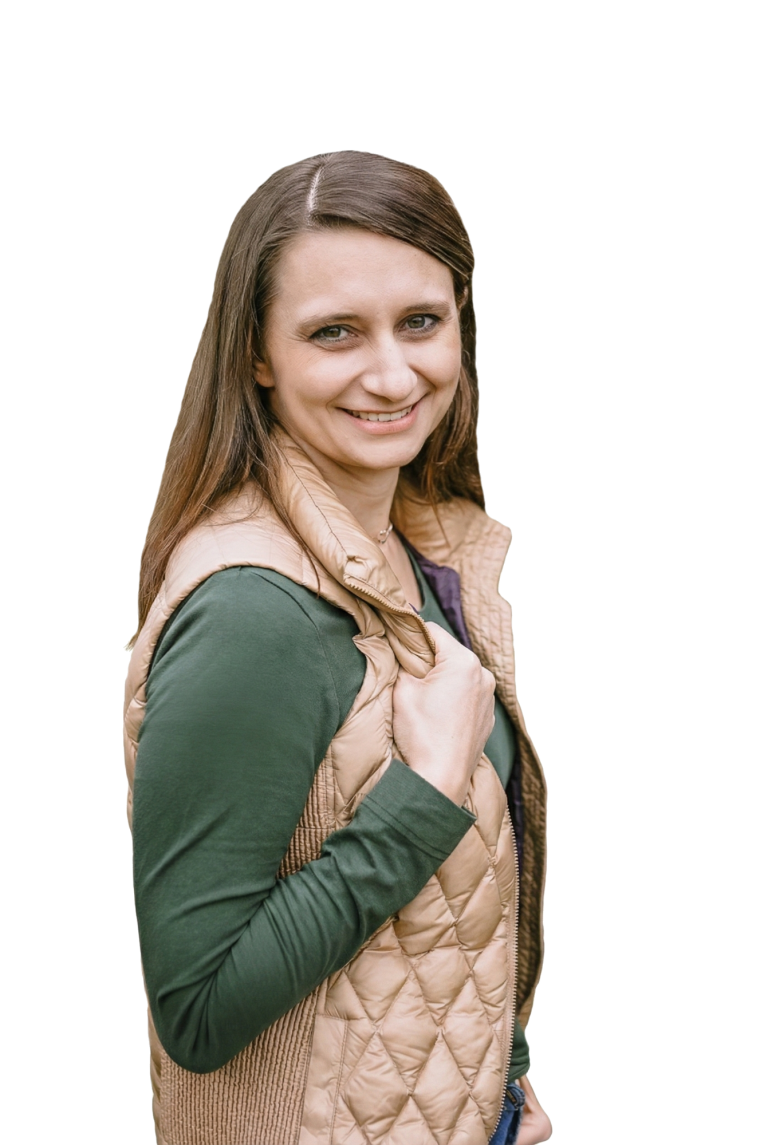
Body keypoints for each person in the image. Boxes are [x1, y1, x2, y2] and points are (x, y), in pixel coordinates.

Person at [124, 151, 551, 1145]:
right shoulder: (253, 615)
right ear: (257, 354)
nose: (394, 374)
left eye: (421, 322)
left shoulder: (417, 548)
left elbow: (456, 900)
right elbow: (198, 1009)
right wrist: (424, 793)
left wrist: (501, 1071)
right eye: (334, 332)